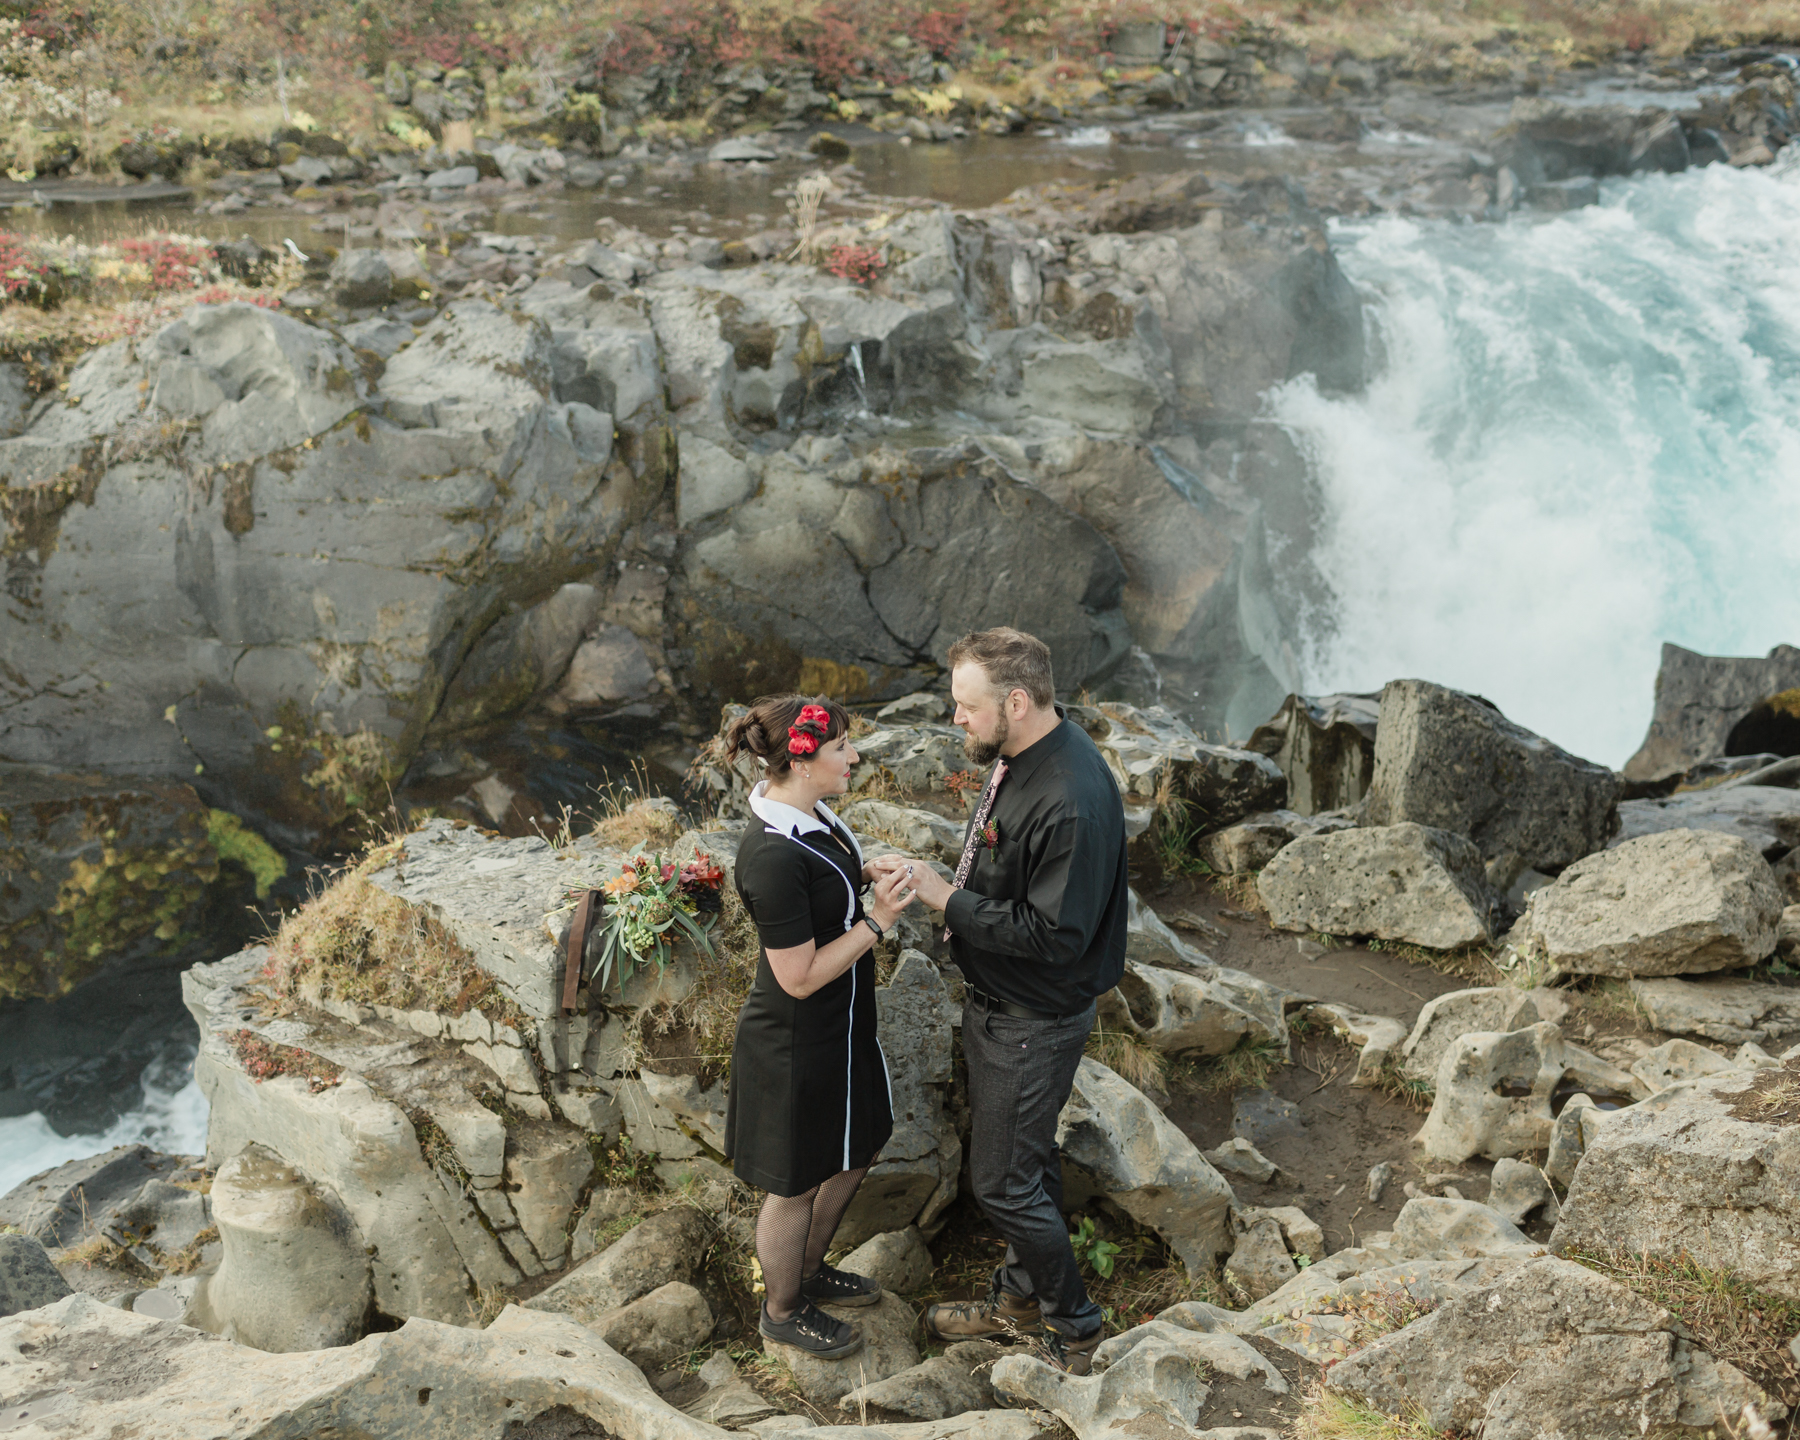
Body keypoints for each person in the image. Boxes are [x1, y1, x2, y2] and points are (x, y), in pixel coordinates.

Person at [879, 627, 1129, 1376]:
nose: (955, 719)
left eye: (966, 706)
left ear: (1016, 702)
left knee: (1000, 1181)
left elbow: (1055, 937)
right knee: (1025, 1160)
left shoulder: (1072, 799)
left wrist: (942, 897)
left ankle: (1076, 1330)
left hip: (1033, 1018)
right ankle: (1020, 1299)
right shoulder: (1022, 754)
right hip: (1005, 1003)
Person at [722, 694, 921, 1359]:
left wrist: (864, 873)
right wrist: (877, 922)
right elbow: (799, 977)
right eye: (842, 749)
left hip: (839, 1030)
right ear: (804, 763)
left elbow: (826, 886)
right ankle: (781, 1310)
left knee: (859, 1149)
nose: (855, 757)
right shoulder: (771, 857)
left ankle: (807, 1274)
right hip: (795, 1044)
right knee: (796, 1182)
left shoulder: (813, 814)